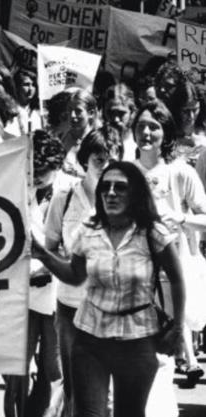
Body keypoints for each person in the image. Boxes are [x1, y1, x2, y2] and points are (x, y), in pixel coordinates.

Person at [34, 160, 186, 417]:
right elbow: (75, 276)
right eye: (105, 187)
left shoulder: (152, 232)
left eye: (120, 187)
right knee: (88, 413)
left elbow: (177, 278)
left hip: (137, 339)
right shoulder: (88, 230)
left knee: (129, 413)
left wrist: (178, 327)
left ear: (135, 192)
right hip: (90, 338)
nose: (111, 193)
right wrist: (43, 255)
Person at [44, 126, 122, 417]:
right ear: (85, 161)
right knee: (75, 391)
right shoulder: (64, 198)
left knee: (109, 395)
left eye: (112, 160)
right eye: (99, 159)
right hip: (71, 309)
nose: (106, 166)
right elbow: (50, 246)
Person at [132, 100, 206, 386]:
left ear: (166, 132)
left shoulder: (181, 172)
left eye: (153, 126)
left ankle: (186, 361)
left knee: (163, 356)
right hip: (134, 274)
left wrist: (181, 219)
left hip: (173, 274)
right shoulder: (125, 172)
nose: (146, 133)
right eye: (141, 126)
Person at [4, 130, 71, 417]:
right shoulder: (16, 187)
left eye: (42, 171)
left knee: (55, 368)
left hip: (57, 290)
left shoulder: (72, 191)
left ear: (56, 166)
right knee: (15, 366)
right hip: (22, 290)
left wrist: (50, 264)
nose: (35, 177)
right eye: (31, 170)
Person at [61, 89, 99, 178]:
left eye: (78, 111)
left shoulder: (98, 141)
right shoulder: (62, 138)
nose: (72, 115)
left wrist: (79, 174)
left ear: (91, 113)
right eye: (70, 110)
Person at [102, 84, 137, 161]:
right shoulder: (96, 140)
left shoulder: (138, 143)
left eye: (121, 113)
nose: (116, 119)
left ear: (131, 112)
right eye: (110, 113)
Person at [13, 68, 41, 134]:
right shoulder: (11, 112)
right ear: (17, 87)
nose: (30, 89)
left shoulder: (38, 112)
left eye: (33, 85)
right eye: (26, 85)